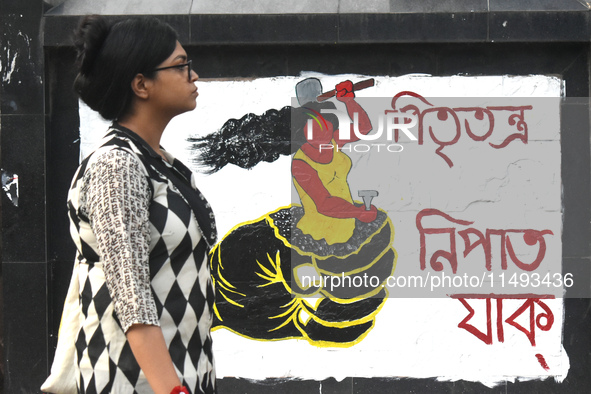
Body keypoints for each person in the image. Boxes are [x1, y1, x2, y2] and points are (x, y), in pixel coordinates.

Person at [44, 15, 216, 394]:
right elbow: (132, 296)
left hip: (183, 370)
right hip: (132, 381)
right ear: (141, 84)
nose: (194, 75)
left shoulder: (158, 162)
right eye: (181, 65)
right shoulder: (117, 166)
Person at [291, 80, 377, 244]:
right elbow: (324, 204)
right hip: (320, 237)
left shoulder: (333, 140)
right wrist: (358, 212)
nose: (321, 130)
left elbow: (363, 128)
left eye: (326, 122)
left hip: (347, 224)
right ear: (302, 131)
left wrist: (349, 101)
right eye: (313, 126)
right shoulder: (300, 164)